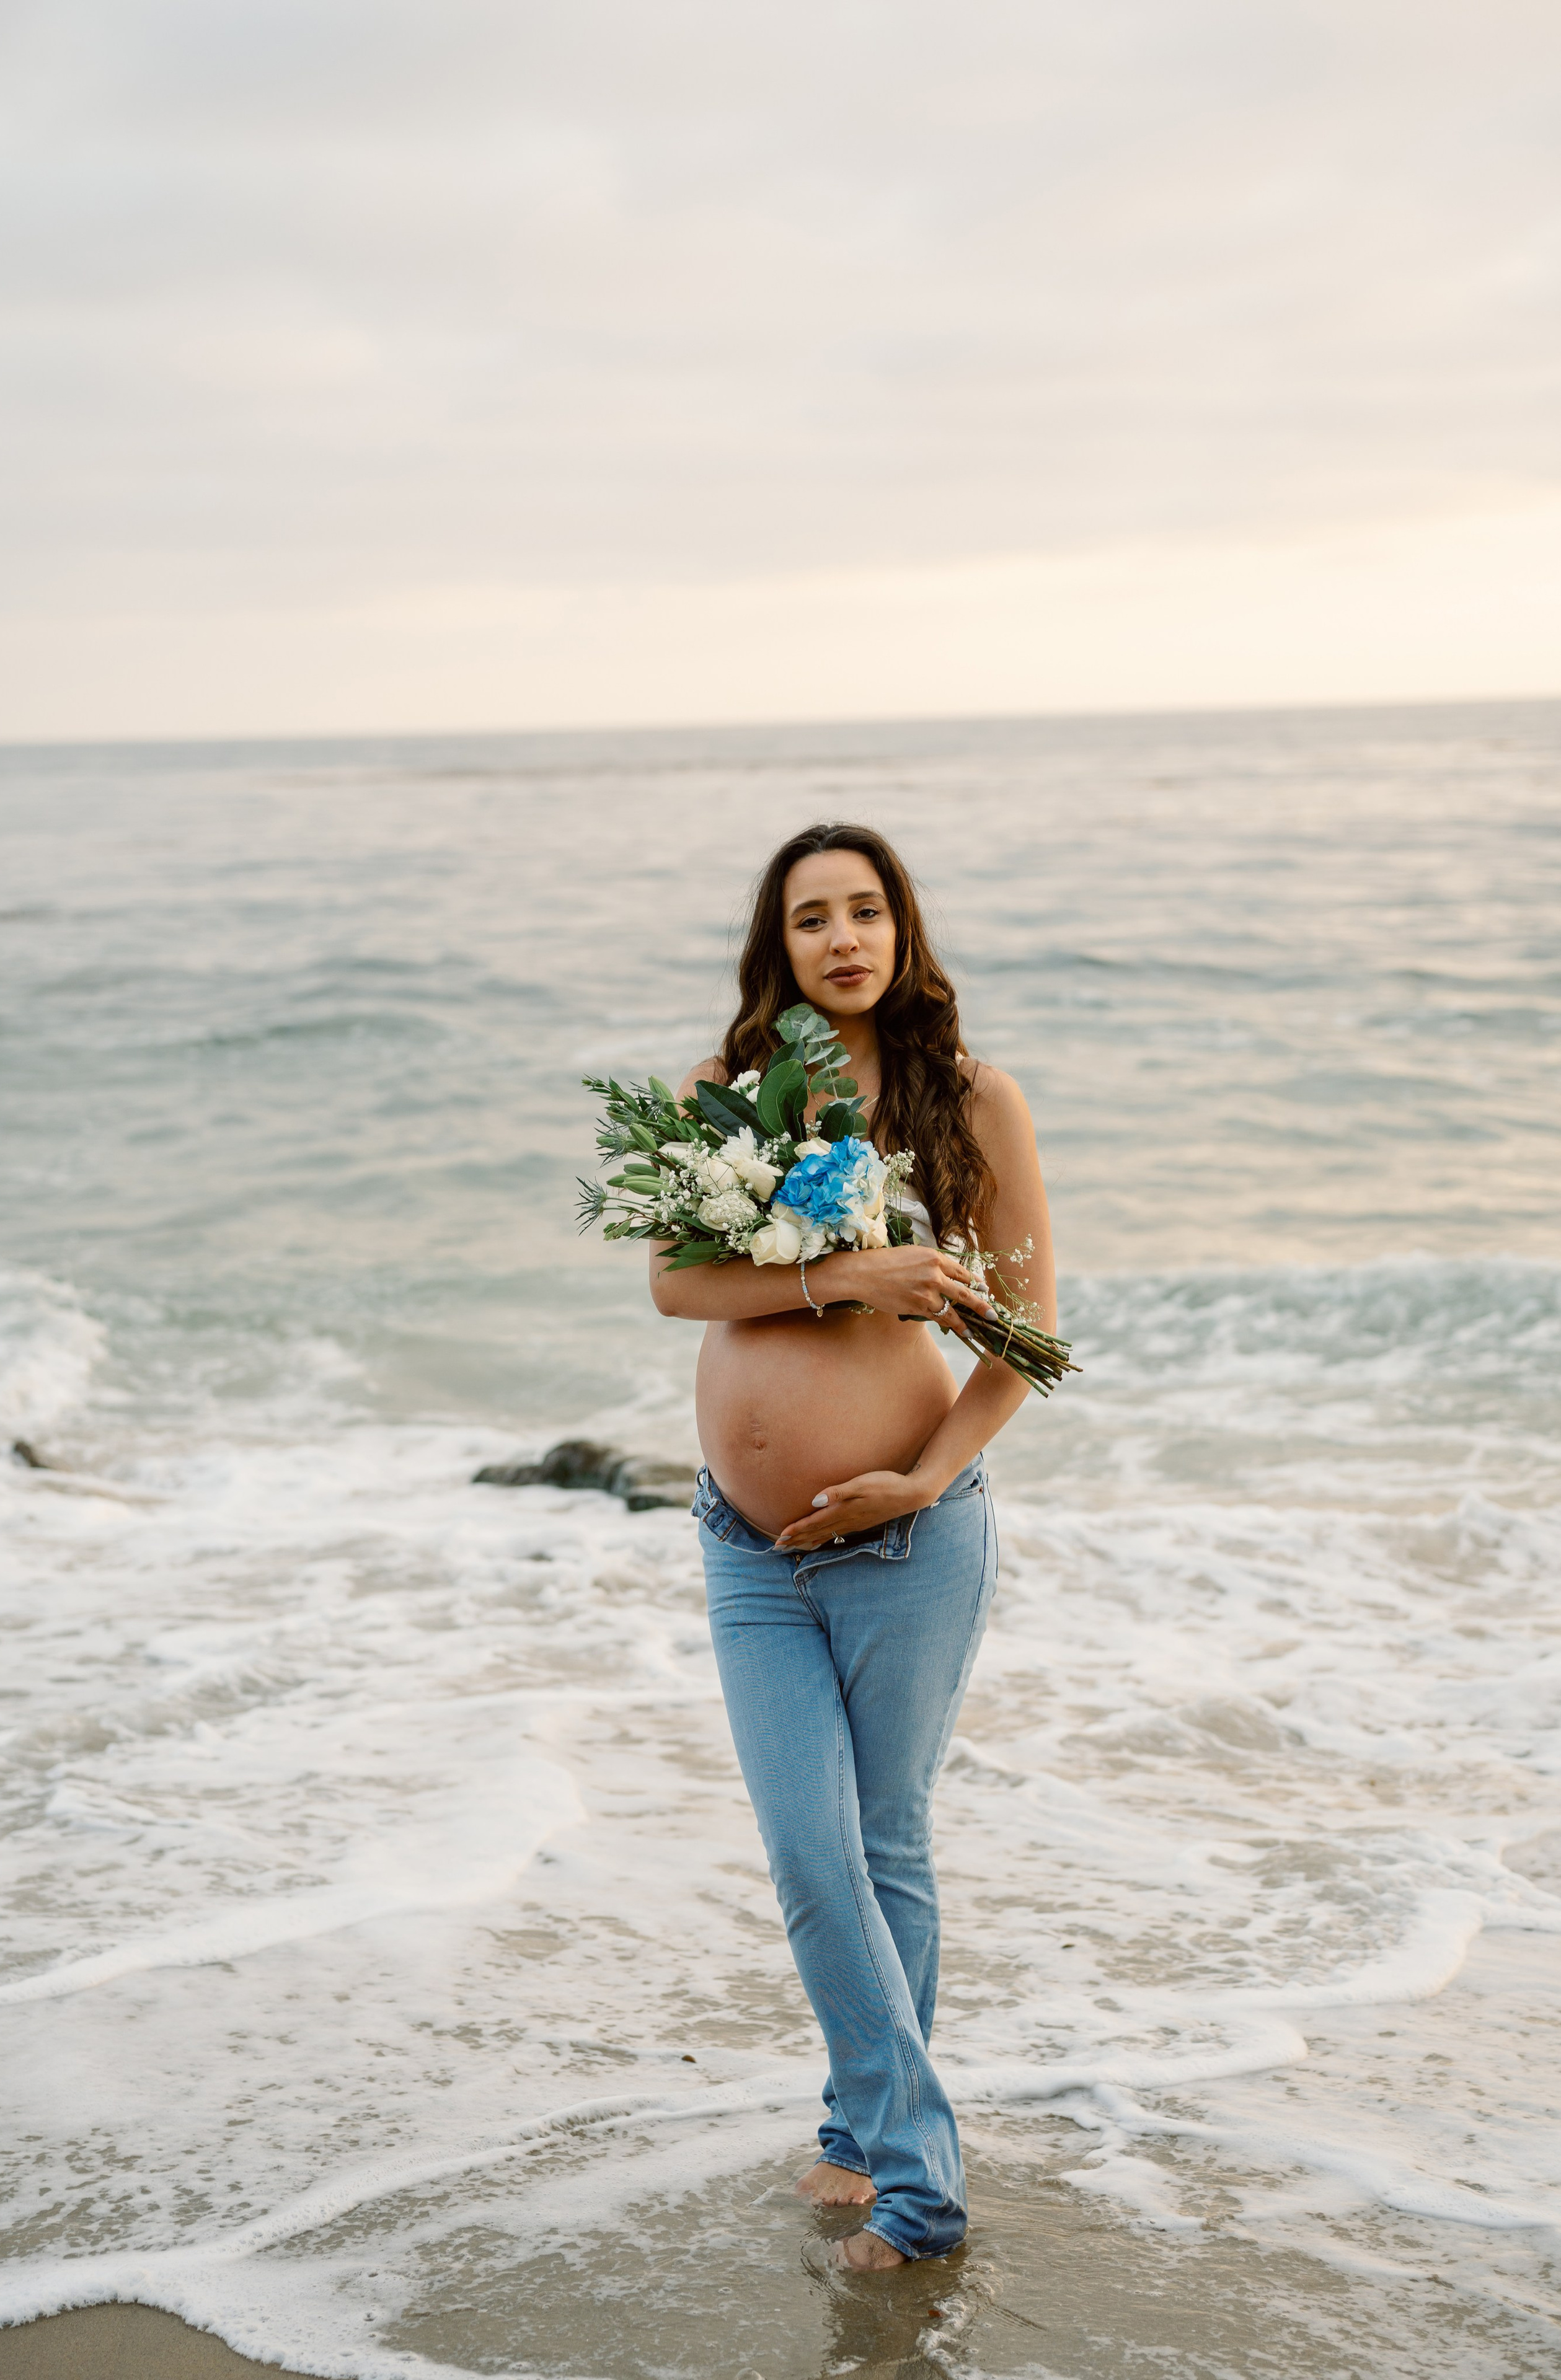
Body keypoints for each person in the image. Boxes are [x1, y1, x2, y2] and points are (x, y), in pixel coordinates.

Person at [651, 822, 1055, 2270]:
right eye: (810, 916)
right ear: (779, 946)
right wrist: (845, 1270)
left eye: (865, 910)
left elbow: (1024, 1341)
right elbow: (673, 1284)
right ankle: (895, 2146)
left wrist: (919, 1479)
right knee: (814, 1854)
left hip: (909, 1543)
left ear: (902, 932)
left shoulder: (972, 1101)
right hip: (745, 1551)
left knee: (878, 1848)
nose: (841, 937)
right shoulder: (723, 1096)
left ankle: (891, 2170)